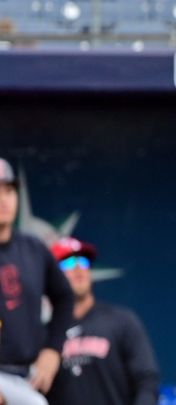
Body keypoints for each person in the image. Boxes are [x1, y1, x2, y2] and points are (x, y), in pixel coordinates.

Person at [46, 237, 160, 405]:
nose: (78, 268)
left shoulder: (121, 321)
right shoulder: (45, 334)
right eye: (68, 263)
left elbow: (146, 380)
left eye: (83, 261)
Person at [0, 158, 73, 405]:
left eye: (8, 190)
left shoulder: (33, 248)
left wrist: (53, 350)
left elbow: (64, 297)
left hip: (29, 376)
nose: (4, 199)